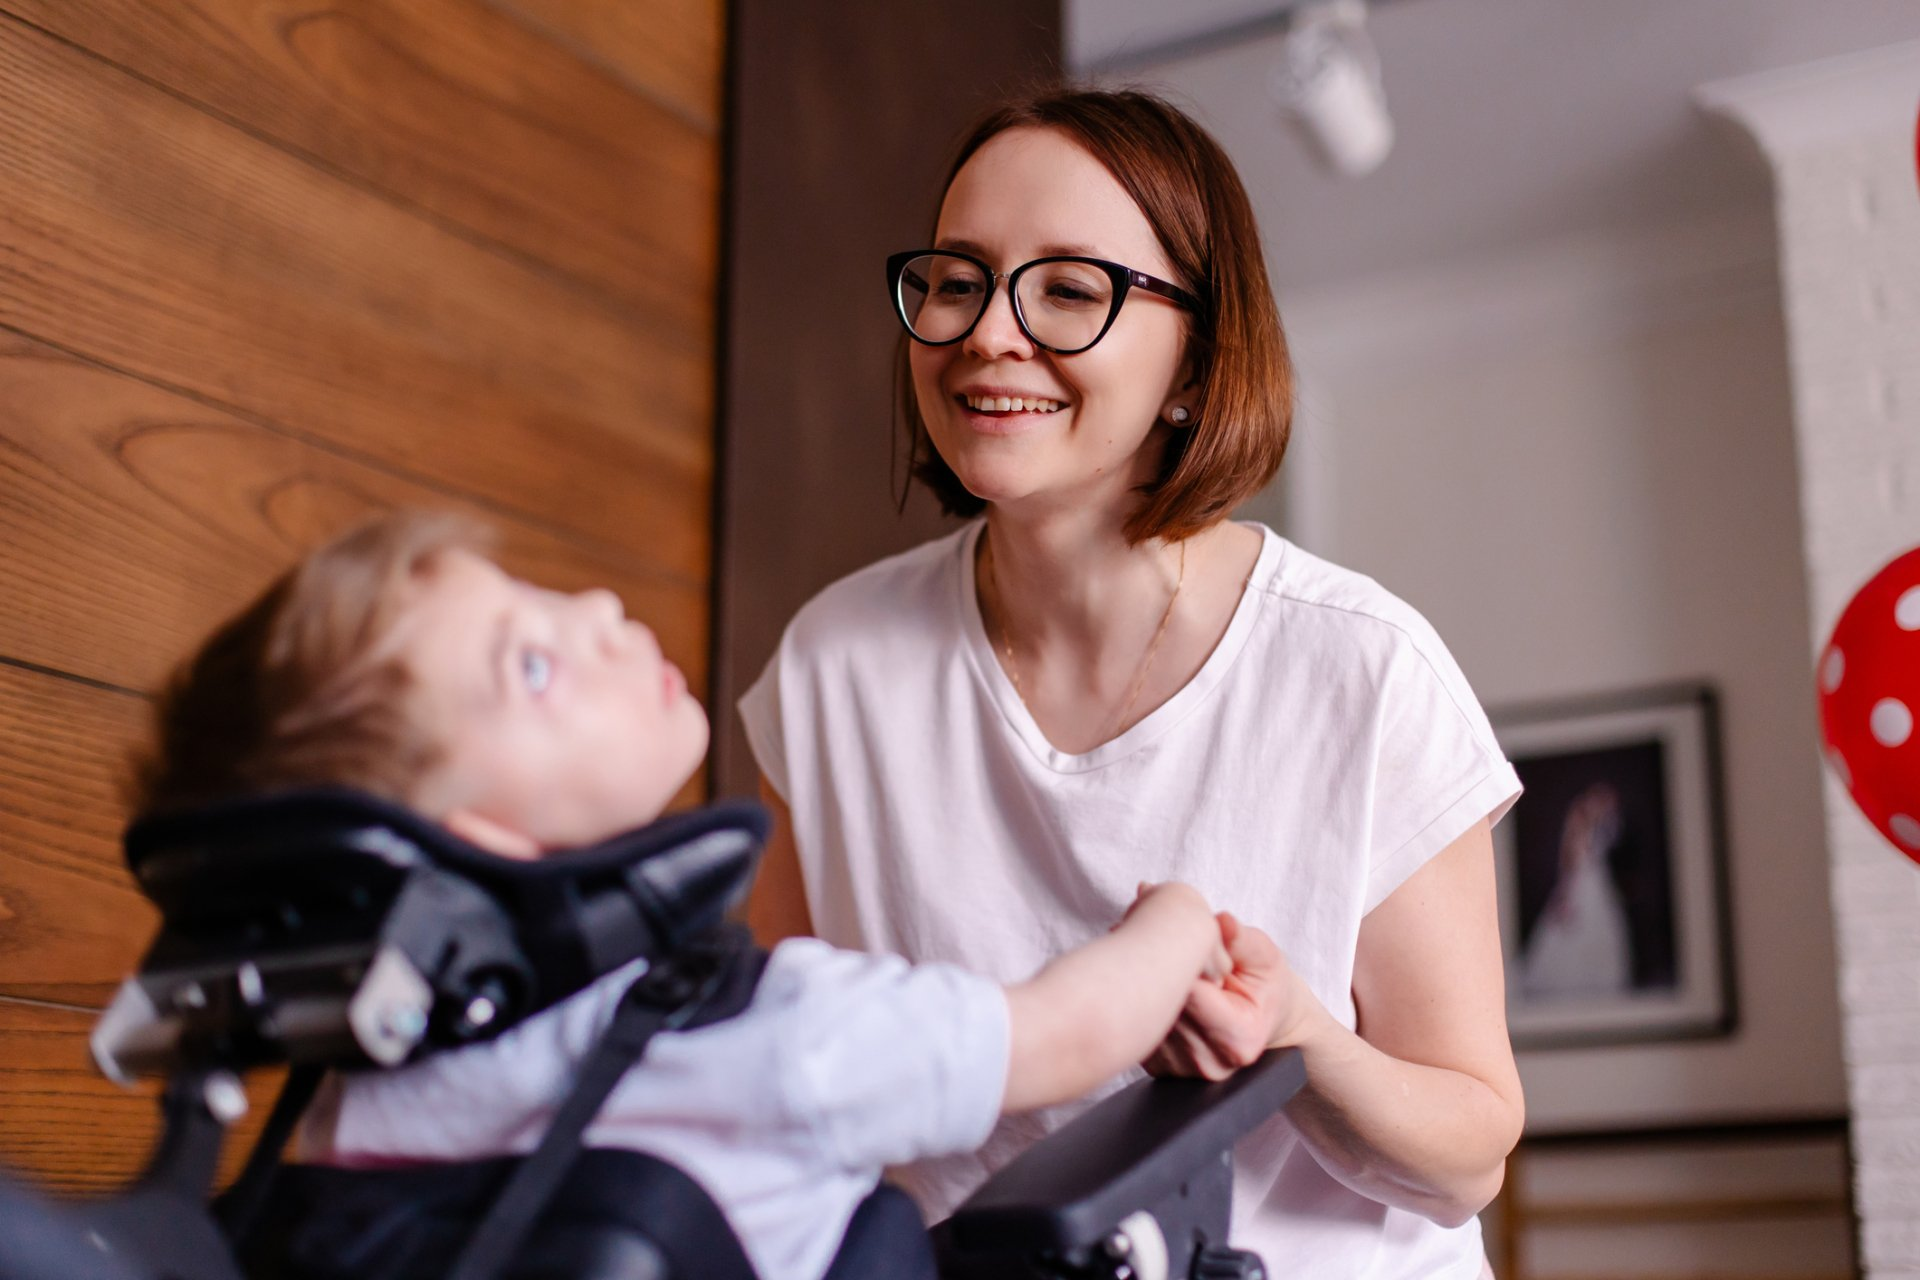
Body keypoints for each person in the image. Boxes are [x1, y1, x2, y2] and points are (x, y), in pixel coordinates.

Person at [739, 89, 1526, 1278]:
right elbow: (790, 1075)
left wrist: (1298, 1037)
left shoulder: (1360, 666)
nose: (988, 332)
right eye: (956, 279)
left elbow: (1469, 1153)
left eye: (1068, 287)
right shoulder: (830, 663)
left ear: (1196, 358)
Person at [134, 510, 1236, 1280]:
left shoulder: (350, 1108)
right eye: (531, 666)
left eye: (538, 598)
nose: (601, 608)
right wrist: (1178, 915)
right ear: (470, 836)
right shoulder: (771, 1032)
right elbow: (1069, 1030)